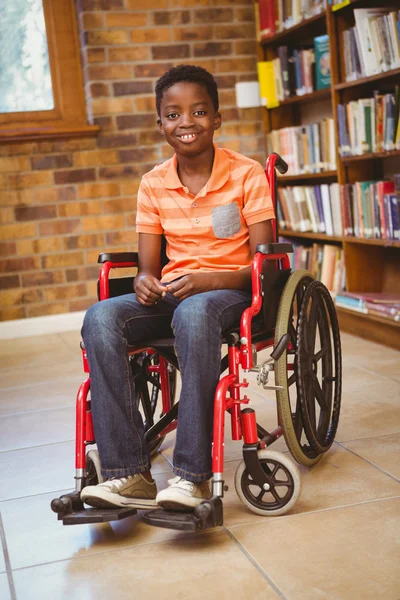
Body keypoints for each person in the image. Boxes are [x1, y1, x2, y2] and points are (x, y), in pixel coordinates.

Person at [80, 64, 275, 512]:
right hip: (177, 292)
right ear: (160, 123)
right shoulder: (153, 183)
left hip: (230, 293)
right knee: (102, 316)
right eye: (173, 115)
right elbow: (149, 268)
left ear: (218, 118)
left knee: (194, 311)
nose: (186, 122)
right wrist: (147, 283)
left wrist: (210, 279)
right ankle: (127, 473)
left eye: (199, 111)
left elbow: (263, 265)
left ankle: (193, 477)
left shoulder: (246, 175)